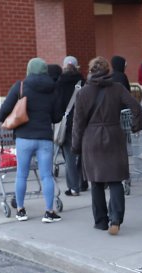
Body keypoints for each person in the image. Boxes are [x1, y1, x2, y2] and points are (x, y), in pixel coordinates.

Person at [72, 56, 142, 235]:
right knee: (115, 180)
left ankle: (101, 221)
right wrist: (136, 127)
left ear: (90, 71)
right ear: (107, 70)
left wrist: (76, 145)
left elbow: (78, 123)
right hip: (114, 135)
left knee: (96, 182)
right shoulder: (117, 88)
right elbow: (136, 107)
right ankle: (116, 219)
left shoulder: (82, 93)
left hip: (91, 139)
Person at [0, 58, 63, 223]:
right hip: (45, 138)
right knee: (47, 175)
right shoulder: (52, 88)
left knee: (22, 175)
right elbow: (56, 117)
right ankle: (49, 212)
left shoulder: (20, 86)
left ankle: (20, 211)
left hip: (24, 138)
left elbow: (2, 113)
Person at [55, 56, 85, 197]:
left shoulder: (60, 82)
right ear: (77, 67)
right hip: (82, 122)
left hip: (67, 124)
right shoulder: (83, 82)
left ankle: (74, 187)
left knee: (69, 156)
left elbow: (58, 104)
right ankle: (83, 182)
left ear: (64, 66)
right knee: (83, 154)